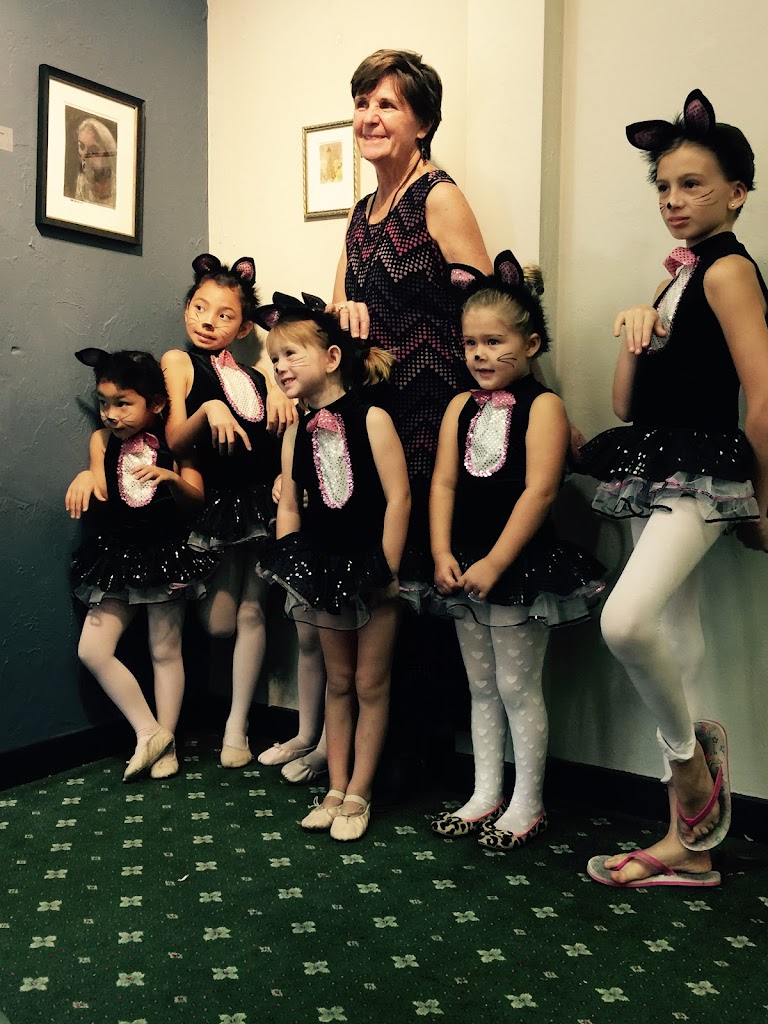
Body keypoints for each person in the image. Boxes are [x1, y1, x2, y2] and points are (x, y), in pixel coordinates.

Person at [263, 48, 493, 792]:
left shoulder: (439, 197)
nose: (369, 116)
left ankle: (413, 759)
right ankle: (358, 754)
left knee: (414, 583)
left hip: (433, 414)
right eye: (363, 102)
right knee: (366, 578)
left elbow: (487, 311)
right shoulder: (359, 216)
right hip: (371, 422)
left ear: (423, 122)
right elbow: (333, 327)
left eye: (387, 103)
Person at [578, 90, 768, 888]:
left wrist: (762, 500)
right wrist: (635, 328)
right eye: (663, 187)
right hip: (657, 463)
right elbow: (627, 406)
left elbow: (762, 395)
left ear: (737, 192)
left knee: (625, 621)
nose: (673, 200)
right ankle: (689, 850)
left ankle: (690, 767)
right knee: (677, 644)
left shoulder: (727, 271)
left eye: (692, 184)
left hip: (706, 471)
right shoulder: (676, 280)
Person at [429, 252, 604, 848]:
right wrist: (440, 550)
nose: (479, 355)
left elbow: (540, 490)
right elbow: (444, 484)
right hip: (462, 561)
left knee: (517, 688)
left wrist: (497, 561)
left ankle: (527, 803)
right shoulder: (459, 406)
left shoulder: (544, 406)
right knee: (480, 686)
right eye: (470, 343)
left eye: (494, 341)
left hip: (519, 566)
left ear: (530, 344)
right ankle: (485, 794)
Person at [254, 292, 410, 841]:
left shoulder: (372, 417)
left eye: (291, 354)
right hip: (321, 568)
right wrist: (292, 569)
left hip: (370, 566)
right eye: (274, 359)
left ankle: (361, 791)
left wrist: (387, 569)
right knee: (338, 682)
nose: (280, 366)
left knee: (370, 682)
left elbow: (398, 497)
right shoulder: (296, 431)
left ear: (332, 357)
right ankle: (336, 787)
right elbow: (290, 508)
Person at [66, 348, 215, 781]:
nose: (110, 414)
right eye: (103, 403)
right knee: (92, 650)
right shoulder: (101, 441)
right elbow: (101, 487)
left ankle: (168, 745)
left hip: (165, 555)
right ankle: (150, 731)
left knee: (165, 651)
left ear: (157, 403)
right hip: (115, 556)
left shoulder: (174, 442)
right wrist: (85, 476)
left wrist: (172, 479)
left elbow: (196, 500)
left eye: (123, 403)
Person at [161, 254, 281, 769]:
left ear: (244, 327)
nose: (208, 321)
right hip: (214, 505)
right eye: (199, 307)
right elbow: (174, 439)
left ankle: (237, 726)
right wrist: (210, 408)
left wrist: (276, 387)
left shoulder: (257, 375)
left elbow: (278, 435)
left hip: (263, 501)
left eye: (224, 314)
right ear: (187, 307)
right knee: (218, 624)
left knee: (255, 611)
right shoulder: (180, 361)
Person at [74, 117, 117, 208]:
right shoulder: (82, 180)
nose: (85, 155)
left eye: (93, 149)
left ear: (107, 152)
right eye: (81, 146)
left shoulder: (117, 185)